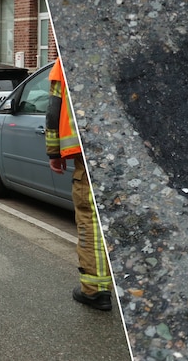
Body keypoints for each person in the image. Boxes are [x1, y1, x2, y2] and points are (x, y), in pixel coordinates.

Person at [46, 57, 113, 311]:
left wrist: (54, 152)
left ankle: (95, 290)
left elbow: (54, 111)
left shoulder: (64, 64)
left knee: (91, 221)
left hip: (90, 155)